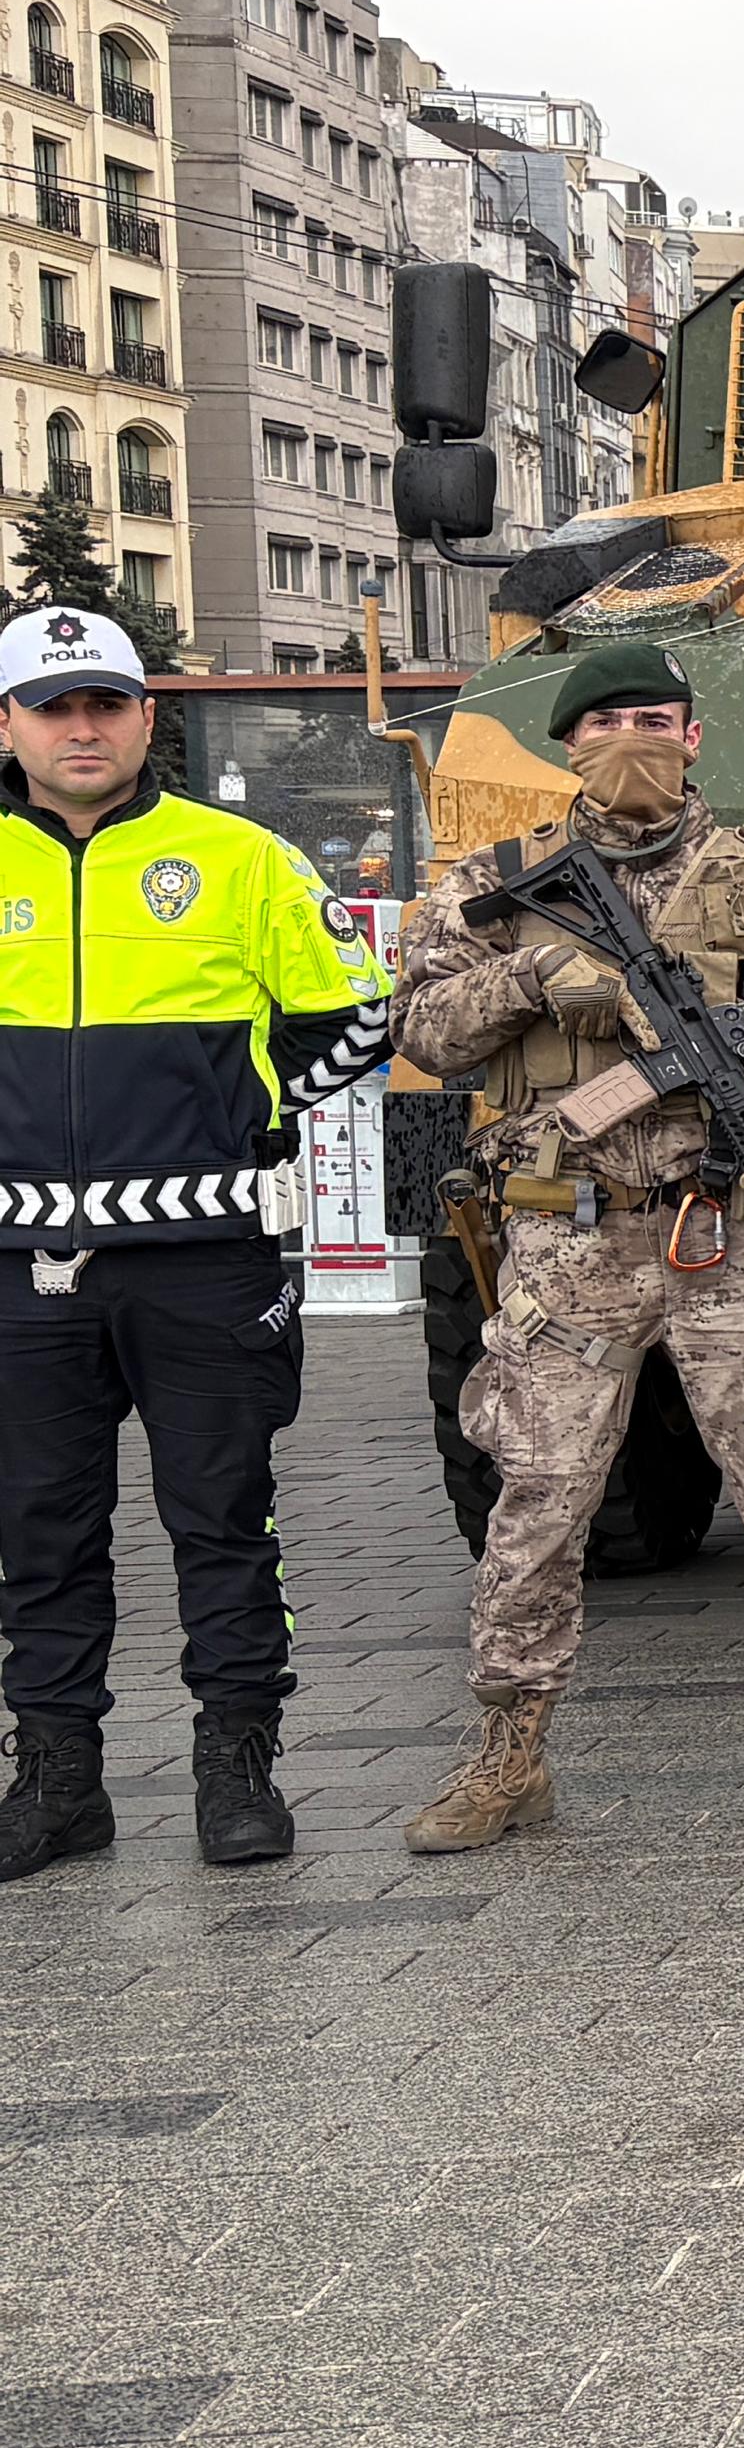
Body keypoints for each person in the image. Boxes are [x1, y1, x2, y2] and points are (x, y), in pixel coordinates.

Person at [393, 639, 744, 1847]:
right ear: (567, 745)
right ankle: (509, 1751)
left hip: (728, 1231)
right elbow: (423, 1030)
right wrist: (534, 979)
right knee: (540, 1497)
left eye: (656, 722)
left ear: (695, 738)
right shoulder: (493, 884)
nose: (633, 745)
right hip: (570, 1237)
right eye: (607, 724)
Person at [0, 605, 392, 1879]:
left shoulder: (241, 858)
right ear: (9, 724)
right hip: (19, 1266)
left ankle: (238, 1766)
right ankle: (58, 1782)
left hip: (205, 1256)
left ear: (144, 717)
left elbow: (357, 1020)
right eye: (53, 707)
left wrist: (242, 1117)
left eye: (104, 704)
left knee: (224, 1521)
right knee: (37, 1534)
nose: (82, 729)